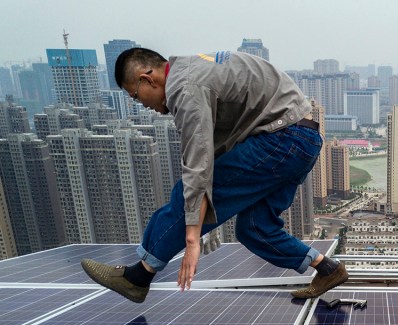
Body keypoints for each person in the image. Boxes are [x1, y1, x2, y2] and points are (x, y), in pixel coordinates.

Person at [81, 48, 348, 303]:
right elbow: (218, 148)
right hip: (302, 139)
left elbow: (199, 169)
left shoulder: (184, 88)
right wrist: (202, 223)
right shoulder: (192, 70)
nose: (142, 105)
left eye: (136, 96)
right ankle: (328, 269)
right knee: (254, 228)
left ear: (147, 79)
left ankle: (138, 276)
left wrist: (192, 238)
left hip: (281, 139)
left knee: (184, 194)